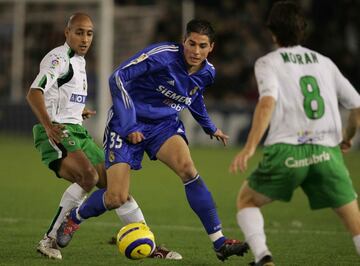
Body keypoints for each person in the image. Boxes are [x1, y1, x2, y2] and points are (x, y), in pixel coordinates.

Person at [56, 19, 249, 261]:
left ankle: (219, 242)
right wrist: (129, 124)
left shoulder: (208, 72)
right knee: (116, 197)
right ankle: (74, 218)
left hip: (163, 125)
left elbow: (194, 95)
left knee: (188, 170)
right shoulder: (162, 56)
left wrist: (209, 126)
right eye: (191, 43)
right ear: (184, 41)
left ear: (211, 47)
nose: (195, 51)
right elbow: (117, 78)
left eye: (202, 46)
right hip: (126, 124)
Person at [26, 12, 181, 260]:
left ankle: (148, 243)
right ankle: (50, 239)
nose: (85, 38)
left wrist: (77, 112)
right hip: (56, 131)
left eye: (89, 33)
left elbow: (59, 95)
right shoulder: (58, 58)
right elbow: (34, 92)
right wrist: (49, 125)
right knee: (88, 176)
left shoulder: (80, 61)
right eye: (79, 32)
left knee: (116, 188)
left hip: (76, 130)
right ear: (67, 33)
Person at [229, 1, 360, 266]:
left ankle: (263, 257)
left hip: (287, 152)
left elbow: (267, 102)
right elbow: (357, 105)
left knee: (246, 200)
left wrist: (250, 147)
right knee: (355, 224)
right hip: (327, 153)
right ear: (303, 30)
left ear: (272, 32)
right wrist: (348, 137)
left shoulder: (268, 63)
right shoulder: (325, 62)